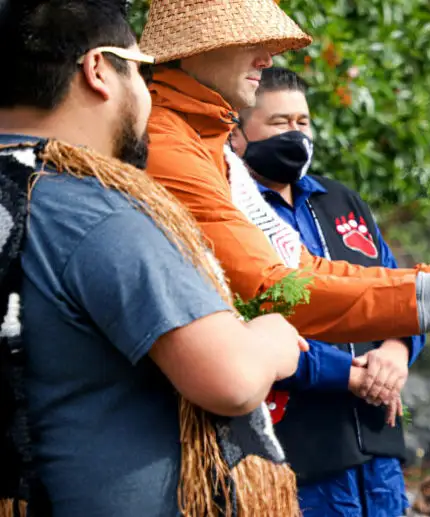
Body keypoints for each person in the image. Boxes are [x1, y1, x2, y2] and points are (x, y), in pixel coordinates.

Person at [0, 1, 308, 516]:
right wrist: (273, 341)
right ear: (100, 70)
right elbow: (229, 380)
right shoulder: (92, 209)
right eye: (141, 70)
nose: (147, 94)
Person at [139, 0, 430, 354]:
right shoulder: (168, 144)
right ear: (198, 46)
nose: (266, 60)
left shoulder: (208, 143)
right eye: (250, 42)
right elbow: (270, 292)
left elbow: (301, 269)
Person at [228, 66, 418, 517]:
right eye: (279, 123)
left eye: (302, 122)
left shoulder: (340, 201)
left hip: (378, 441)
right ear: (236, 135)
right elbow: (243, 321)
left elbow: (396, 286)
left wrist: (396, 351)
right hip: (297, 450)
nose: (295, 135)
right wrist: (348, 374)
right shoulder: (230, 213)